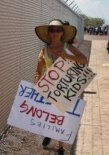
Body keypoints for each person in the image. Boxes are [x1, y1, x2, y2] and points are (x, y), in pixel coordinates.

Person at [34, 19, 88, 155]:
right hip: (48, 88)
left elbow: (84, 60)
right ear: (49, 33)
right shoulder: (43, 51)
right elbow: (38, 71)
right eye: (52, 30)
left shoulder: (67, 47)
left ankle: (61, 147)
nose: (55, 33)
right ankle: (48, 134)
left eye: (58, 30)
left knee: (61, 117)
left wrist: (65, 56)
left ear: (62, 33)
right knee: (49, 115)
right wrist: (36, 85)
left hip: (65, 87)